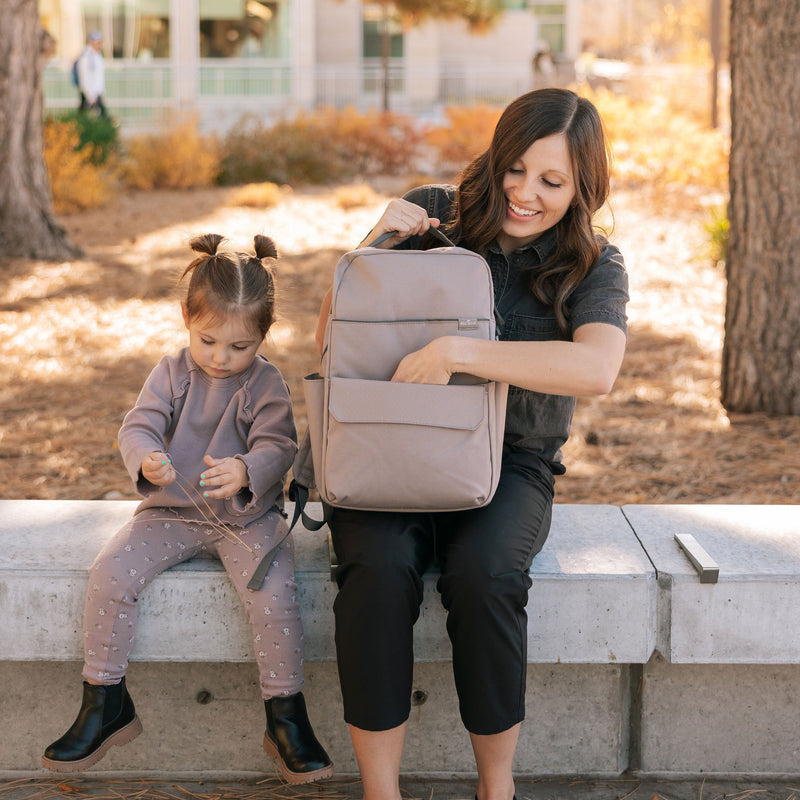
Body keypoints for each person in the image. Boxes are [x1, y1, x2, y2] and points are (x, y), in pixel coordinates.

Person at [314, 88, 628, 800]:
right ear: (497, 155)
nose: (525, 194)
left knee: (485, 572)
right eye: (515, 169)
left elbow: (596, 369)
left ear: (583, 186)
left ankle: (496, 786)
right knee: (377, 562)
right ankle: (380, 790)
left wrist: (461, 351)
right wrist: (370, 248)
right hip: (389, 440)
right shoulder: (433, 210)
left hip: (512, 459)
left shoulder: (593, 263)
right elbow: (329, 342)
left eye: (552, 182)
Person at [42, 234, 333, 785]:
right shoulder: (173, 372)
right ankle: (103, 701)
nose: (222, 358)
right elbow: (139, 423)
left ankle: (285, 715)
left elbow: (280, 444)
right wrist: (147, 457)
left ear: (262, 338)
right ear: (186, 318)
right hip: (171, 512)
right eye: (209, 340)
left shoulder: (264, 382)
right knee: (110, 572)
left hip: (244, 518)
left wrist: (249, 468)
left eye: (240, 346)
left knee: (272, 594)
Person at [75, 31, 107, 117]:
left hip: (97, 92)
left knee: (97, 116)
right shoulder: (86, 56)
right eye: (98, 42)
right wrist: (90, 95)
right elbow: (84, 77)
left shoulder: (97, 55)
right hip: (90, 94)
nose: (100, 45)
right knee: (84, 116)